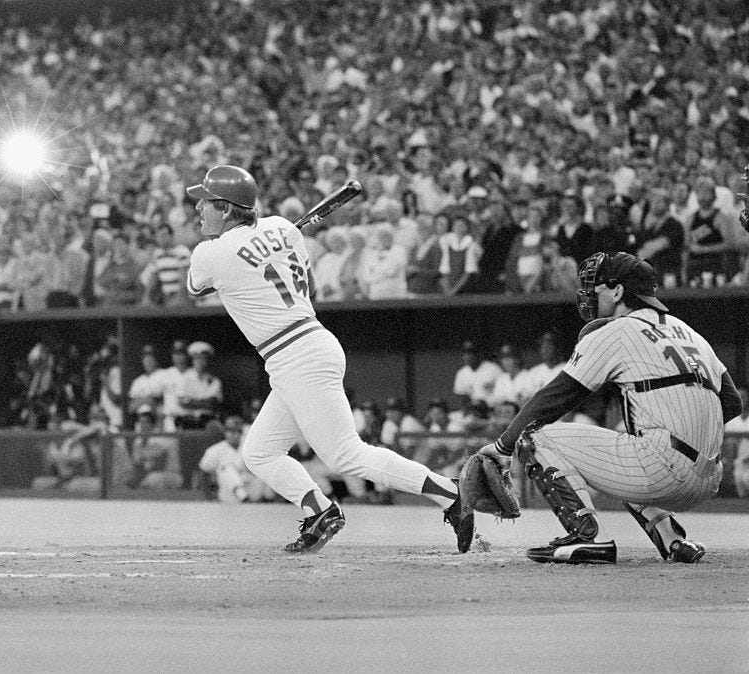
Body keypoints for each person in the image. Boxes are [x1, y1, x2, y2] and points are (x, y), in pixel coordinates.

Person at [185, 165, 468, 554]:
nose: (198, 208)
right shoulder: (283, 227)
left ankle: (451, 494)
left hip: (296, 353)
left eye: (205, 202)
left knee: (345, 454)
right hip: (306, 344)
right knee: (259, 452)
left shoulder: (210, 252)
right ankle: (320, 510)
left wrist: (252, 260)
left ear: (227, 208)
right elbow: (311, 287)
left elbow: (197, 289)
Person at [477, 252, 743, 564]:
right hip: (710, 476)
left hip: (663, 470)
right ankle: (674, 541)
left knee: (534, 438)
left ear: (617, 292)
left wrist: (502, 445)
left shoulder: (614, 330)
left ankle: (585, 536)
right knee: (633, 447)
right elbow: (732, 403)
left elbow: (555, 398)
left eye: (595, 288)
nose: (588, 295)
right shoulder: (687, 331)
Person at [198, 415, 275, 503]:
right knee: (227, 469)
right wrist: (209, 497)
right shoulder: (215, 450)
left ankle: (267, 502)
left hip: (251, 491)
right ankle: (244, 498)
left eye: (237, 431)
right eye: (230, 431)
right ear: (225, 432)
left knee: (266, 468)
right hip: (230, 496)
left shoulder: (250, 447)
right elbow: (203, 473)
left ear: (241, 433)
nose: (234, 435)